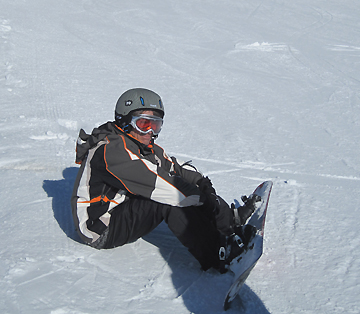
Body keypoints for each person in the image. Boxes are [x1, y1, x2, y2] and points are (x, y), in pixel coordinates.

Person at [71, 88, 258, 273]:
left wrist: (203, 184)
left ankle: (228, 225)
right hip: (100, 227)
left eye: (156, 125)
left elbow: (175, 167)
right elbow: (164, 186)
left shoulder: (141, 145)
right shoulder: (111, 151)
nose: (150, 131)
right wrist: (207, 200)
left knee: (185, 188)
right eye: (143, 124)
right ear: (125, 121)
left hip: (122, 207)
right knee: (168, 198)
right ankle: (219, 254)